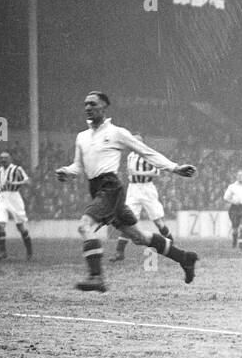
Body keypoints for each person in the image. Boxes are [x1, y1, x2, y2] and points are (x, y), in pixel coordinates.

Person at [55, 91, 199, 292]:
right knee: (139, 237)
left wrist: (174, 167)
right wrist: (66, 172)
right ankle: (185, 258)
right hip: (97, 189)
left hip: (110, 188)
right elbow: (78, 166)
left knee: (85, 226)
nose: (87, 107)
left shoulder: (116, 133)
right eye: (85, 104)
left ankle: (96, 276)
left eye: (92, 104)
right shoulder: (82, 137)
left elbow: (146, 152)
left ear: (104, 106)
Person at [112, 134, 173, 262]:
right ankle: (119, 252)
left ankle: (171, 245)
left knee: (157, 221)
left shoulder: (148, 155)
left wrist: (138, 173)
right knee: (127, 220)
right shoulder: (130, 156)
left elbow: (156, 172)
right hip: (133, 189)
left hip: (147, 189)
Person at [0, 151, 32, 259]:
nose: (3, 160)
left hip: (14, 198)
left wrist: (14, 183)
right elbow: (1, 185)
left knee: (20, 226)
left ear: (10, 159)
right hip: (2, 198)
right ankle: (3, 252)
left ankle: (29, 251)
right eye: (1, 158)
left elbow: (28, 181)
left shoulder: (17, 169)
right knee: (1, 224)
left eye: (5, 158)